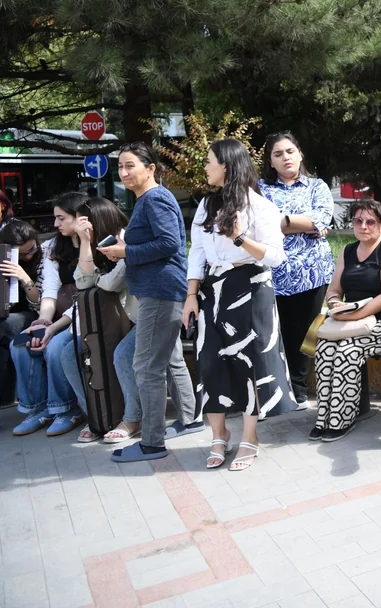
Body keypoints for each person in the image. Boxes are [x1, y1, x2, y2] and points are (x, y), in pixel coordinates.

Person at [184, 140, 294, 470]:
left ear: (227, 165)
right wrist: (191, 295)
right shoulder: (206, 204)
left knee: (250, 364)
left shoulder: (260, 206)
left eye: (210, 161)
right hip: (213, 289)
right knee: (210, 361)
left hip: (250, 285)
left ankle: (250, 436)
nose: (205, 167)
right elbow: (197, 252)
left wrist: (240, 238)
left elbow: (275, 256)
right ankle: (219, 435)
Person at [101, 143, 200, 458]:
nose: (124, 172)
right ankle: (190, 419)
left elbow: (169, 243)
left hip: (160, 292)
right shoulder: (150, 199)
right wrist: (126, 247)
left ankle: (153, 442)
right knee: (168, 359)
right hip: (160, 291)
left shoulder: (155, 198)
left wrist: (125, 251)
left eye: (130, 165)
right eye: (120, 167)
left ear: (151, 168)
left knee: (146, 367)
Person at [312, 199, 381, 442]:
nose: (363, 226)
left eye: (371, 222)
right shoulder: (348, 251)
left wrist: (354, 314)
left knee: (347, 352)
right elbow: (334, 289)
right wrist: (335, 304)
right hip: (349, 319)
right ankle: (323, 418)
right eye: (358, 220)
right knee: (324, 349)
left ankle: (341, 420)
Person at [259, 132, 335, 408]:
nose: (286, 158)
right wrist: (303, 224)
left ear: (300, 154)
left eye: (290, 151)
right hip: (272, 273)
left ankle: (300, 390)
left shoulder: (317, 186)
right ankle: (277, 389)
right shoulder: (260, 189)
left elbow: (321, 218)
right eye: (278, 154)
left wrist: (282, 221)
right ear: (270, 161)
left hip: (312, 272)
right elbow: (257, 224)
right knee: (276, 331)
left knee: (306, 332)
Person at [44, 198, 131, 442]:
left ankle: (130, 416)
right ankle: (95, 414)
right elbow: (83, 283)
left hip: (129, 317)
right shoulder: (89, 243)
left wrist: (96, 278)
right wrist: (84, 242)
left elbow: (111, 284)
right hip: (100, 321)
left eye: (62, 218)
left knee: (119, 355)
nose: (57, 224)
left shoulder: (123, 240)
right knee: (68, 355)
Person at [10, 192, 86, 436]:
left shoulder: (91, 244)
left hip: (86, 317)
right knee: (20, 344)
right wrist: (44, 320)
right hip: (60, 316)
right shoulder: (52, 247)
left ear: (79, 216)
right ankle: (38, 408)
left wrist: (53, 328)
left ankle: (65, 408)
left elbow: (86, 295)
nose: (55, 224)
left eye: (61, 218)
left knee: (55, 347)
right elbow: (50, 290)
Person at [1, 221, 44, 406]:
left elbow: (39, 303)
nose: (28, 257)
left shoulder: (45, 256)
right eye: (21, 254)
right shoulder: (4, 258)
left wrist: (24, 278)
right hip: (8, 315)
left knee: (4, 327)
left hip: (35, 316)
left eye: (31, 250)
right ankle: (5, 397)